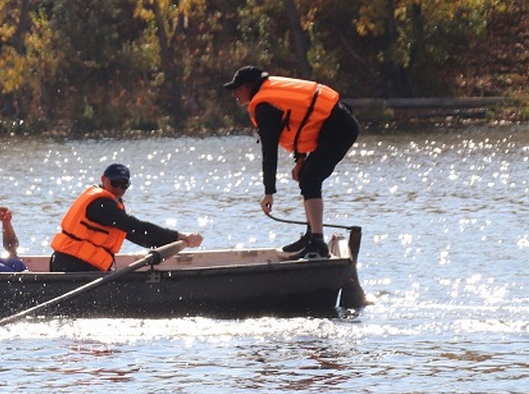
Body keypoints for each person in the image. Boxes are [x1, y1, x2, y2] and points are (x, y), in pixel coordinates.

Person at [223, 65, 360, 259]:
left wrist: (269, 191)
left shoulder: (264, 106)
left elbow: (269, 151)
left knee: (311, 179)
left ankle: (318, 244)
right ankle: (312, 236)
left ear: (249, 86)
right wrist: (300, 159)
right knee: (306, 176)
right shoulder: (268, 98)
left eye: (237, 88)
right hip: (331, 129)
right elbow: (300, 123)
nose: (234, 93)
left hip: (340, 129)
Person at [50, 163, 204, 272]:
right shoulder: (101, 204)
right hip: (71, 265)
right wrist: (180, 236)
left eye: (124, 185)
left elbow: (139, 236)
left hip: (83, 266)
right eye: (115, 182)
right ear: (103, 179)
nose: (119, 188)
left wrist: (174, 242)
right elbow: (137, 227)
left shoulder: (112, 207)